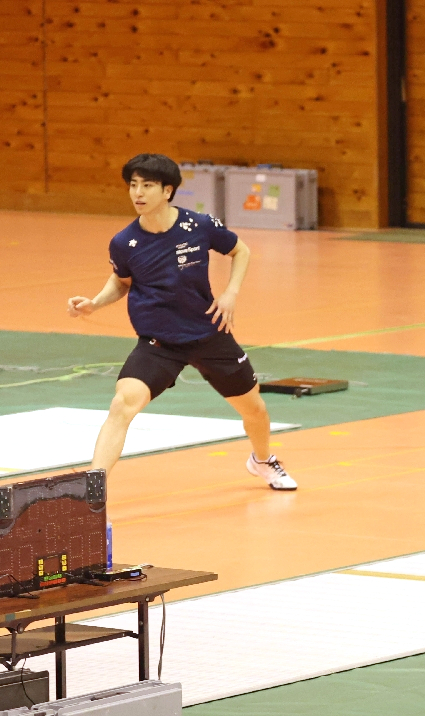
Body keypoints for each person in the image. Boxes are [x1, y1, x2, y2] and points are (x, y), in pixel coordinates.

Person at [67, 153, 296, 490]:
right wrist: (95, 302)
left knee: (255, 410)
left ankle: (261, 461)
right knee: (122, 404)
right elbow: (122, 281)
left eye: (147, 185)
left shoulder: (199, 226)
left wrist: (231, 292)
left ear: (168, 190)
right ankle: (93, 490)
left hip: (208, 334)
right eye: (133, 185)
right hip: (159, 343)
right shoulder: (125, 242)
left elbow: (240, 251)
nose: (137, 193)